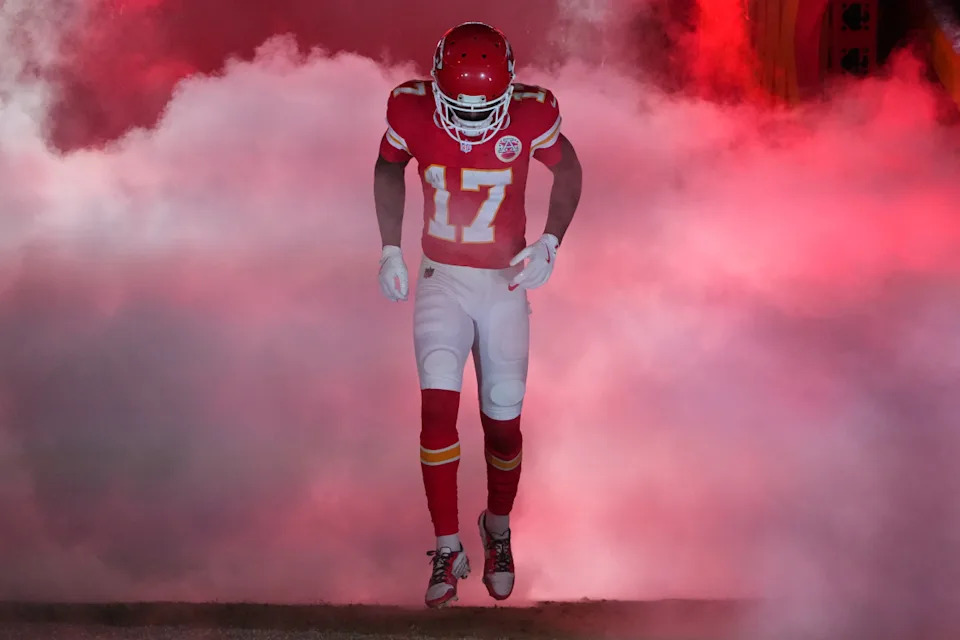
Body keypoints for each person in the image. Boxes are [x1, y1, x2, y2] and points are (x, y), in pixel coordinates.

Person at [373, 21, 583, 608]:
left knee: (503, 423)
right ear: (437, 86)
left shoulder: (532, 113)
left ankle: (496, 529)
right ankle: (446, 546)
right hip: (442, 276)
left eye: (486, 108)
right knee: (436, 411)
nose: (471, 122)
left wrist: (550, 242)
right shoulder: (409, 106)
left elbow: (568, 168)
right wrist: (390, 245)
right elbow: (388, 165)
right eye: (458, 109)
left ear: (509, 90)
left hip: (503, 281)